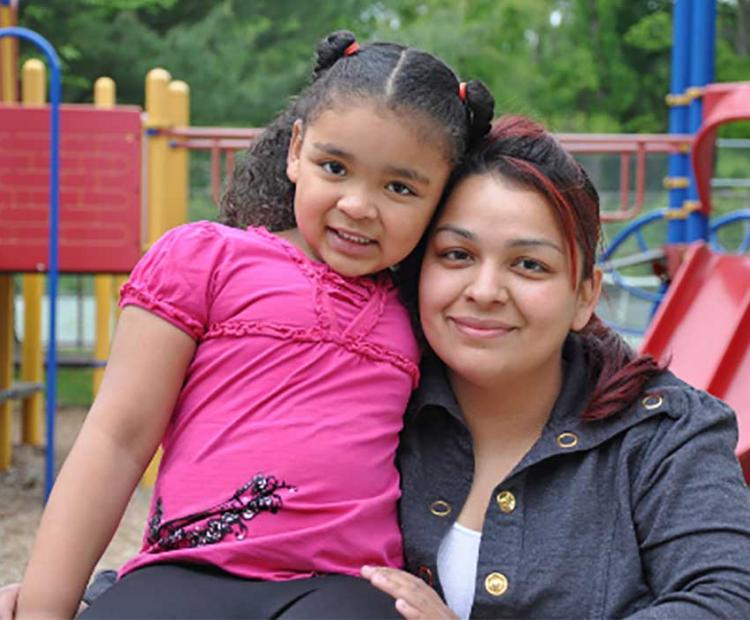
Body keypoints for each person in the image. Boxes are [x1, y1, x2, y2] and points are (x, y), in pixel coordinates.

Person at [12, 30, 494, 620]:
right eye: (335, 166)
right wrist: (43, 607)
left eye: (399, 187)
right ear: (296, 150)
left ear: (441, 199)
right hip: (189, 565)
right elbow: (116, 438)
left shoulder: (422, 308)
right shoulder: (206, 259)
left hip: (343, 586)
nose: (358, 205)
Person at [360, 115, 750, 618]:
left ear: (586, 294)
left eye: (529, 265)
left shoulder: (666, 434)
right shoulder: (371, 406)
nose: (484, 291)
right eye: (457, 254)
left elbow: (727, 601)